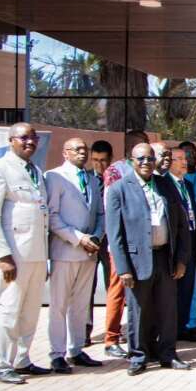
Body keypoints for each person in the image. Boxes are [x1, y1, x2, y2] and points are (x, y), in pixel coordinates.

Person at [105, 142, 192, 376]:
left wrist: (181, 259)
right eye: (140, 158)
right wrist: (123, 268)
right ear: (131, 161)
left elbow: (182, 224)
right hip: (137, 261)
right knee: (139, 311)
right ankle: (138, 356)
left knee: (167, 309)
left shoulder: (166, 185)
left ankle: (168, 354)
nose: (146, 163)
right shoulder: (119, 189)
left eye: (149, 159)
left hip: (165, 256)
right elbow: (114, 234)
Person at [0, 124, 50, 384]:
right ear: (11, 140)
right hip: (13, 256)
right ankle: (1, 365)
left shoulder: (35, 171)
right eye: (24, 138)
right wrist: (2, 255)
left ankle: (22, 360)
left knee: (30, 311)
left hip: (35, 253)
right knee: (9, 310)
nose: (30, 142)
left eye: (33, 138)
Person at [44, 138, 105, 373]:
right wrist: (79, 238)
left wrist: (97, 237)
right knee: (59, 305)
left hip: (89, 253)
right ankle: (57, 353)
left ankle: (76, 349)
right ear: (65, 152)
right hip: (66, 250)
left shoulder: (91, 179)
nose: (82, 153)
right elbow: (52, 215)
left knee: (80, 306)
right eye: (77, 149)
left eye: (84, 149)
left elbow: (100, 213)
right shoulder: (55, 177)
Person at [102, 129, 151, 359]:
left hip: (144, 243)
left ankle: (137, 336)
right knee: (119, 290)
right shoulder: (116, 171)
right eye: (140, 148)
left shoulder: (149, 173)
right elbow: (112, 211)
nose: (146, 157)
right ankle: (111, 338)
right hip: (122, 244)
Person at [162, 145, 196, 342]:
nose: (184, 161)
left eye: (184, 158)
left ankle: (181, 329)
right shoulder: (163, 184)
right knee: (171, 295)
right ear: (168, 162)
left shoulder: (186, 184)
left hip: (190, 247)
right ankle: (168, 335)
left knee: (186, 293)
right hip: (173, 249)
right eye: (178, 158)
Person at [86, 138, 114, 345]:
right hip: (91, 239)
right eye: (95, 160)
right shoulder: (86, 179)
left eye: (103, 160)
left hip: (111, 240)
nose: (99, 165)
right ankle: (84, 330)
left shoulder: (116, 179)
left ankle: (112, 330)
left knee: (112, 286)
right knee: (87, 287)